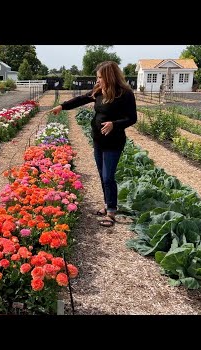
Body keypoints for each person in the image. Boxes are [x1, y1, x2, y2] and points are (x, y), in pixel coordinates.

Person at [49, 61, 137, 227]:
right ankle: (107, 204)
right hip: (98, 140)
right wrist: (62, 106)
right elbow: (81, 99)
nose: (98, 80)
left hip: (114, 141)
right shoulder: (99, 91)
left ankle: (111, 211)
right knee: (102, 175)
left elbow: (132, 118)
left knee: (108, 177)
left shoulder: (125, 94)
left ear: (109, 77)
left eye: (100, 77)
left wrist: (114, 124)